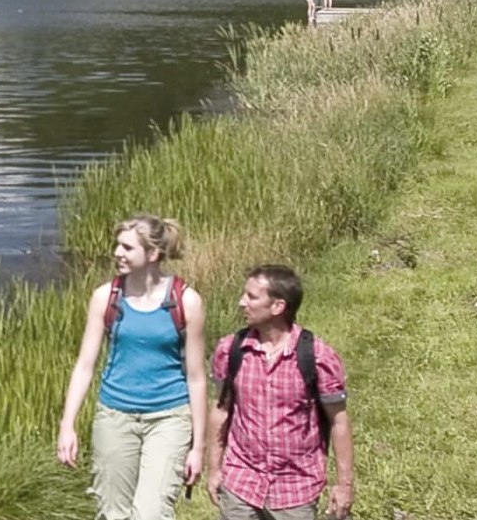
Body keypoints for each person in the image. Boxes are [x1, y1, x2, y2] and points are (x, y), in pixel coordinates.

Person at [59, 216, 208, 520]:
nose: (117, 252)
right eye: (117, 245)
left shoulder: (186, 301)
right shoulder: (106, 297)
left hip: (169, 418)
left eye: (127, 247)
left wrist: (198, 447)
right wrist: (67, 424)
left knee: (151, 514)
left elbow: (196, 378)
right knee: (113, 513)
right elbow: (85, 365)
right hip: (114, 417)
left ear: (152, 254)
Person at [206, 266, 354, 520]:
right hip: (241, 482)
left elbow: (339, 421)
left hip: (295, 490)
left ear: (277, 307)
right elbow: (221, 409)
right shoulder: (231, 350)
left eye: (252, 297)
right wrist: (214, 468)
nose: (242, 302)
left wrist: (344, 486)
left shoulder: (317, 357)